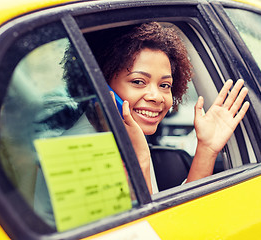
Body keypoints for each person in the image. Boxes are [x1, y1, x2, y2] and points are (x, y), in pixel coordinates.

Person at [85, 22, 250, 194]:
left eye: (164, 85)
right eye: (138, 82)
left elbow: (180, 216)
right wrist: (140, 160)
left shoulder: (132, 141)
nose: (156, 97)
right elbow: (151, 220)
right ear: (101, 85)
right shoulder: (87, 154)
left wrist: (207, 148)